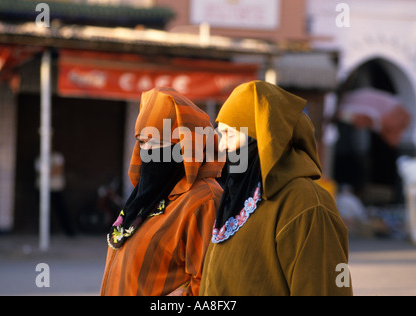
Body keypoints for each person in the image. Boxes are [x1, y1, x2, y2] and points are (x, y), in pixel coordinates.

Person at [200, 81, 353, 296]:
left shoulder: (307, 203)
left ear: (261, 138)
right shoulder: (237, 201)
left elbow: (324, 287)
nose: (222, 145)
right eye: (221, 134)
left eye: (230, 134)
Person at [100, 87, 224, 296]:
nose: (147, 151)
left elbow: (211, 284)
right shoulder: (147, 198)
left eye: (157, 143)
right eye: (142, 141)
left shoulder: (203, 200)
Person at [35, 150, 75, 237]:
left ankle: (69, 231)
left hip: (56, 188)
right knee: (44, 211)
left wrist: (47, 172)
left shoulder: (57, 156)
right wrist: (51, 171)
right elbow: (39, 172)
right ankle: (46, 232)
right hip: (43, 189)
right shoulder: (39, 158)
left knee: (61, 210)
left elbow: (59, 169)